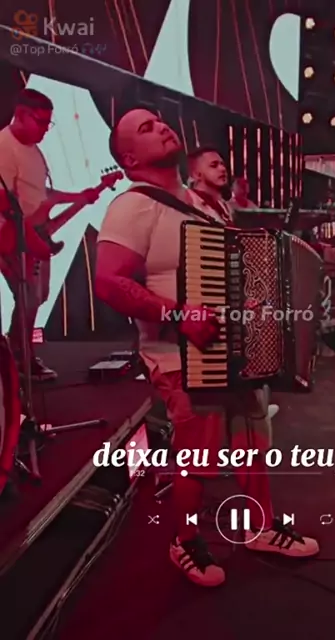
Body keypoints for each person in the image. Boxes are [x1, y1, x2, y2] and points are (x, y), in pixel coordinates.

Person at [95, 108, 319, 588]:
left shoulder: (206, 205)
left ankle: (260, 527)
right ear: (129, 158)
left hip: (232, 346)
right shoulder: (133, 206)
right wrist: (178, 315)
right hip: (178, 354)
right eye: (146, 128)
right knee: (199, 456)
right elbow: (109, 282)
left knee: (252, 440)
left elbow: (229, 274)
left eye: (159, 120)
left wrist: (253, 305)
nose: (161, 126)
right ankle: (185, 541)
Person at [0, 88, 98, 380]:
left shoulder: (33, 149)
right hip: (16, 236)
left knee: (35, 297)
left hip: (35, 234)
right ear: (20, 115)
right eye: (41, 122)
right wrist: (30, 239)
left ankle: (18, 352)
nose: (45, 129)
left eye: (48, 123)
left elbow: (41, 193)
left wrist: (78, 197)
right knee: (29, 296)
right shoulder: (4, 147)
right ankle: (22, 357)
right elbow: (4, 202)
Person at [188, 147, 280, 421]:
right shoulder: (189, 204)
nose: (222, 168)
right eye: (213, 165)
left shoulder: (225, 207)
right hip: (207, 298)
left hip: (230, 296)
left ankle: (256, 410)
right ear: (196, 174)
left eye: (223, 164)